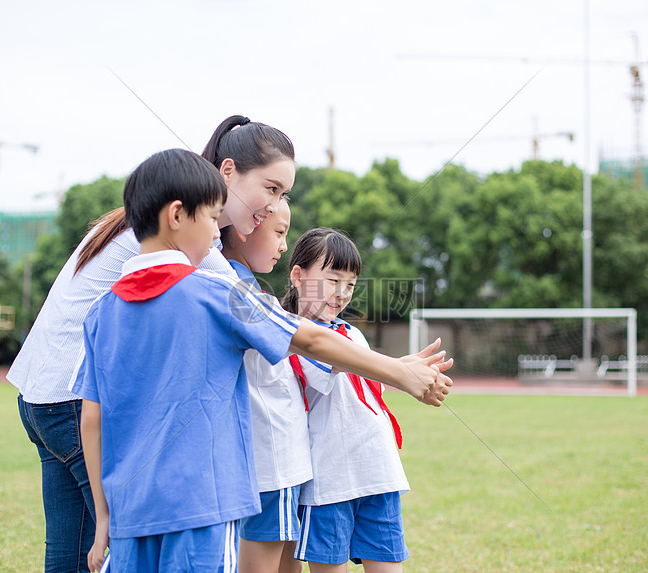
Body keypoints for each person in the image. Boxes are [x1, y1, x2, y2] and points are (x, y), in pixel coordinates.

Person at [74, 149, 452, 572]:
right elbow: (310, 338)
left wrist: (103, 514)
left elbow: (92, 418)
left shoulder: (99, 312)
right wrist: (401, 373)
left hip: (129, 512)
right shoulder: (219, 294)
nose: (218, 237)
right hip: (204, 511)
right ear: (177, 216)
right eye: (212, 220)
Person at [7, 114, 298, 572]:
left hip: (38, 398)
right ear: (227, 174)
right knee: (122, 552)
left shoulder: (142, 219)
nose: (273, 205)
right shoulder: (192, 242)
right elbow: (268, 320)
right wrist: (390, 368)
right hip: (75, 401)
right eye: (271, 188)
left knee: (69, 556)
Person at [284, 228, 438, 572]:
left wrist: (413, 370)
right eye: (332, 280)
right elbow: (336, 363)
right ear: (298, 276)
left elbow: (368, 377)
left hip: (378, 472)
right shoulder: (292, 335)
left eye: (350, 284)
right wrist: (403, 369)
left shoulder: (351, 333)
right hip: (328, 483)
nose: (342, 294)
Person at [221, 200, 305, 573]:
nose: (284, 245)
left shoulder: (228, 283)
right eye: (280, 232)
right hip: (273, 464)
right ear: (246, 225)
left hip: (254, 463)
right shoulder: (242, 293)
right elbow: (316, 346)